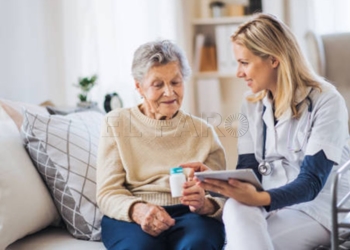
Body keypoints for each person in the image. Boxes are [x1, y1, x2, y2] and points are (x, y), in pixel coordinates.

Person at [182, 13, 350, 250]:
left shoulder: (326, 101)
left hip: (314, 209)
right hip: (270, 203)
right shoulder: (251, 102)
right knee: (235, 206)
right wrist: (217, 181)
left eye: (244, 62)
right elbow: (249, 171)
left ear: (273, 59)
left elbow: (311, 183)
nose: (238, 73)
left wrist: (259, 199)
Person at [96, 40, 226, 250]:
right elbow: (107, 193)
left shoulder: (203, 131)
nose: (169, 92)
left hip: (190, 213)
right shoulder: (116, 123)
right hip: (135, 212)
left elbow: (222, 196)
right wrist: (138, 210)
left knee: (198, 246)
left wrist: (205, 204)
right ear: (138, 86)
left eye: (175, 82)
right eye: (158, 85)